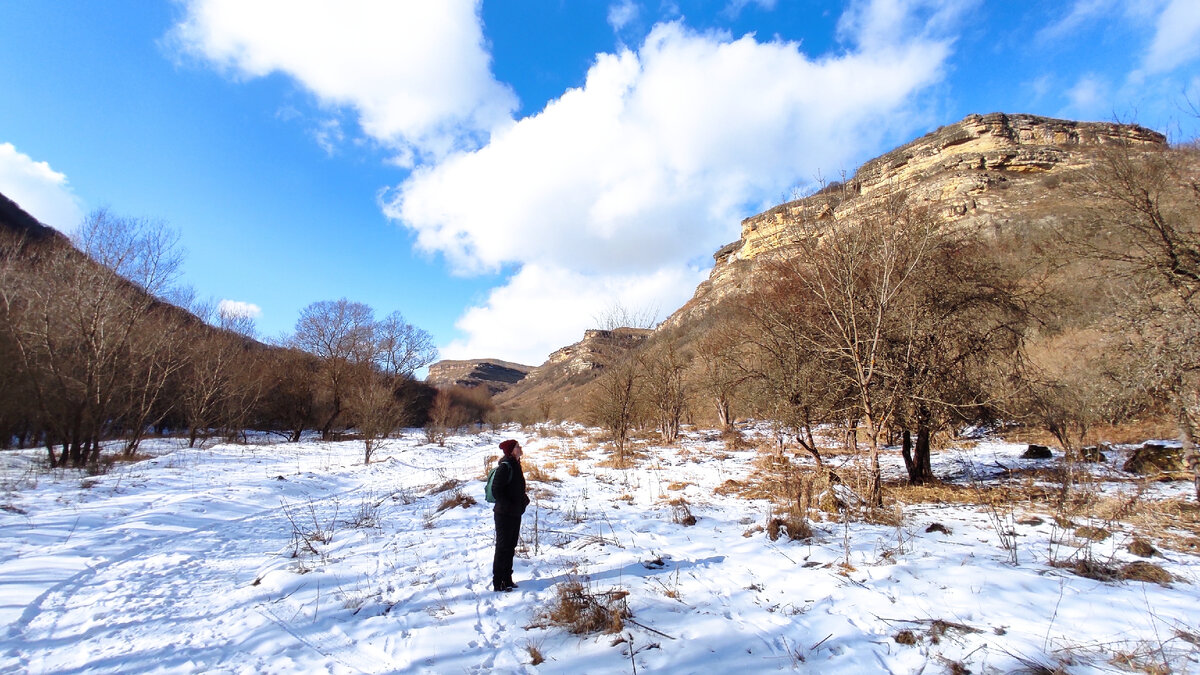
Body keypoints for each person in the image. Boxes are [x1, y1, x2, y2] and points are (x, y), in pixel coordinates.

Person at [491, 438, 530, 592]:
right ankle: (498, 581)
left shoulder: (516, 465)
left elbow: (517, 489)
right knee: (502, 547)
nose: (520, 448)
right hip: (504, 515)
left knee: (511, 546)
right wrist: (510, 505)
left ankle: (507, 579)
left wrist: (523, 501)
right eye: (517, 447)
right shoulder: (505, 467)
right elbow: (496, 490)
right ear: (511, 451)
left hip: (514, 513)